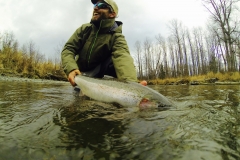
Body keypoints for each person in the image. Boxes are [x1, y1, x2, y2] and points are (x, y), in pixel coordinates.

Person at [61, 0, 147, 86]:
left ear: (112, 14)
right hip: (80, 75)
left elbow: (122, 57)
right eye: (95, 5)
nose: (96, 8)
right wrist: (71, 69)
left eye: (101, 5)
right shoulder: (84, 29)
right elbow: (69, 49)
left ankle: (116, 90)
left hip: (100, 79)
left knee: (112, 61)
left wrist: (131, 84)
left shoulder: (117, 37)